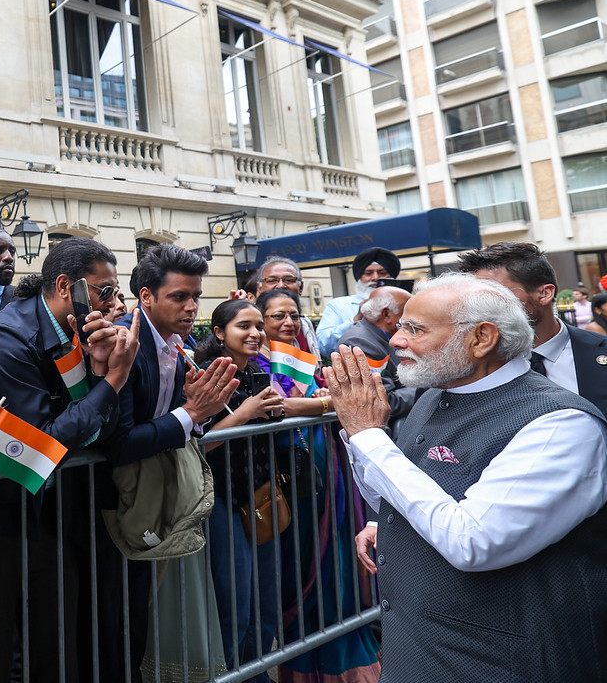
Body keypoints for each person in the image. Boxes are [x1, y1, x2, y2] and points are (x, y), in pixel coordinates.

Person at [327, 273, 607, 682]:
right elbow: (406, 491)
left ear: (482, 338)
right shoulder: (437, 394)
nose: (396, 340)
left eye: (414, 329)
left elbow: (475, 541)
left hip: (499, 663)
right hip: (418, 655)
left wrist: (369, 436)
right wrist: (379, 519)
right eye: (401, 325)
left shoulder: (560, 424)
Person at [0, 237, 140, 683]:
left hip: (54, 512)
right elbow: (45, 442)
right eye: (105, 291)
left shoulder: (82, 332)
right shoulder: (10, 335)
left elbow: (106, 432)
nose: (115, 304)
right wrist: (111, 381)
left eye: (117, 292)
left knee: (56, 644)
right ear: (65, 286)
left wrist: (101, 376)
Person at [99, 243, 238, 682]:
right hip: (114, 505)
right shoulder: (127, 343)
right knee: (122, 622)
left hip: (158, 497)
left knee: (147, 616)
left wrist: (199, 414)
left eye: (195, 296)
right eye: (179, 296)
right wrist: (193, 414)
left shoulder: (178, 346)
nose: (191, 306)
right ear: (145, 297)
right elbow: (117, 443)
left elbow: (178, 421)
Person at [253, 290, 382, 683]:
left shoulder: (305, 362)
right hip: (293, 492)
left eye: (293, 315)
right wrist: (326, 405)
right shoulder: (259, 364)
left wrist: (319, 401)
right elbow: (279, 408)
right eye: (277, 317)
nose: (288, 323)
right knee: (303, 573)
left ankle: (345, 655)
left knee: (336, 568)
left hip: (332, 486)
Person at [194, 299, 284, 682]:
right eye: (243, 326)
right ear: (219, 333)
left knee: (266, 599)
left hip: (260, 494)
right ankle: (230, 673)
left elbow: (282, 412)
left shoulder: (259, 375)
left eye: (259, 326)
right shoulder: (206, 374)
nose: (255, 333)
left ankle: (256, 672)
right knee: (235, 602)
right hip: (223, 500)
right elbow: (199, 441)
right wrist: (245, 413)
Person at [458, 242, 607, 414]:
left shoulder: (600, 351)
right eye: (474, 299)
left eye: (495, 296)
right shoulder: (465, 370)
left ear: (544, 294)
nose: (482, 308)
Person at [337, 286, 417, 437]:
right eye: (404, 313)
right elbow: (381, 400)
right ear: (386, 314)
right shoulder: (360, 342)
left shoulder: (378, 336)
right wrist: (426, 388)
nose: (409, 319)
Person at [316, 247, 401, 357]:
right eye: (368, 273)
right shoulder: (338, 305)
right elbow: (324, 347)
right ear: (360, 277)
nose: (375, 278)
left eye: (382, 273)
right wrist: (356, 319)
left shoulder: (404, 304)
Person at [254, 257, 322, 365]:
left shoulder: (305, 326)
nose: (281, 285)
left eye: (289, 280)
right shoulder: (249, 329)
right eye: (272, 280)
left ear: (301, 287)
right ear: (259, 288)